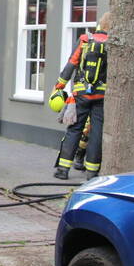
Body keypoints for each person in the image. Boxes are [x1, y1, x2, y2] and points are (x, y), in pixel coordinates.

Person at [53, 11, 112, 180]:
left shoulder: (85, 40)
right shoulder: (112, 44)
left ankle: (63, 170)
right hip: (102, 95)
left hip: (81, 93)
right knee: (97, 131)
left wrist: (59, 86)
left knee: (74, 130)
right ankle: (92, 172)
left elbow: (71, 64)